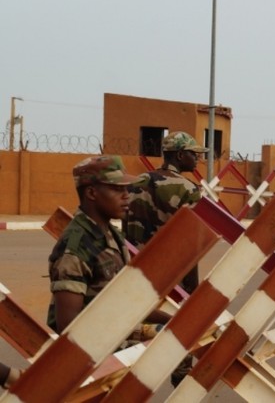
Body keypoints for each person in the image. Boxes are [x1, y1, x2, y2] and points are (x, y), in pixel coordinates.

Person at [48, 156, 169, 333]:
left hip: (117, 330)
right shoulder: (75, 248)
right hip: (97, 346)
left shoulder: (111, 234)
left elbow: (125, 301)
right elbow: (69, 330)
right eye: (116, 189)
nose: (126, 195)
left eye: (126, 188)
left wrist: (172, 321)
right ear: (91, 193)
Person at [125, 131, 208, 294]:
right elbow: (190, 244)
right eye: (194, 154)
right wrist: (191, 290)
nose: (198, 158)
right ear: (180, 155)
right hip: (168, 278)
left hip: (133, 271)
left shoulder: (138, 181)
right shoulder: (188, 189)